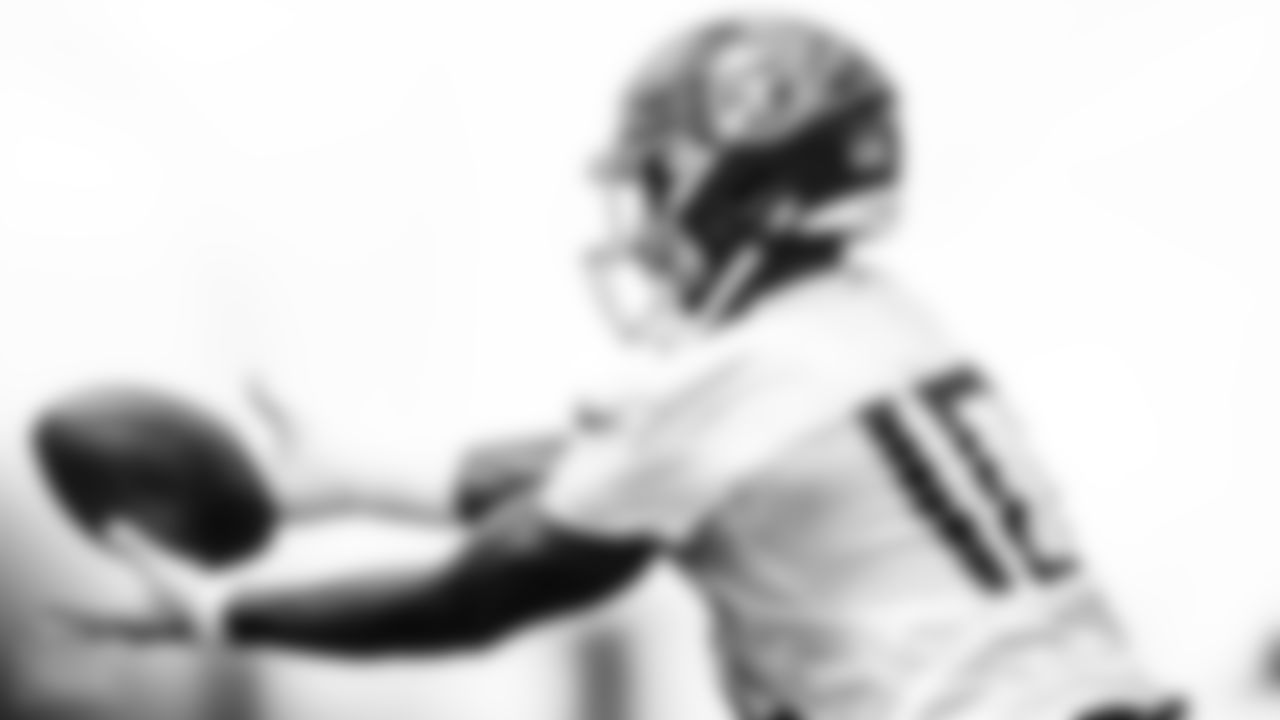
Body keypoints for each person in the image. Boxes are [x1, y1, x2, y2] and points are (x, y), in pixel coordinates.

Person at [62, 14, 1186, 720]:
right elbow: (613, 473)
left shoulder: (738, 385)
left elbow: (473, 599)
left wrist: (224, 614)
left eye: (655, 180)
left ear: (730, 186)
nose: (643, 218)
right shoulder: (872, 326)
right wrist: (362, 478)